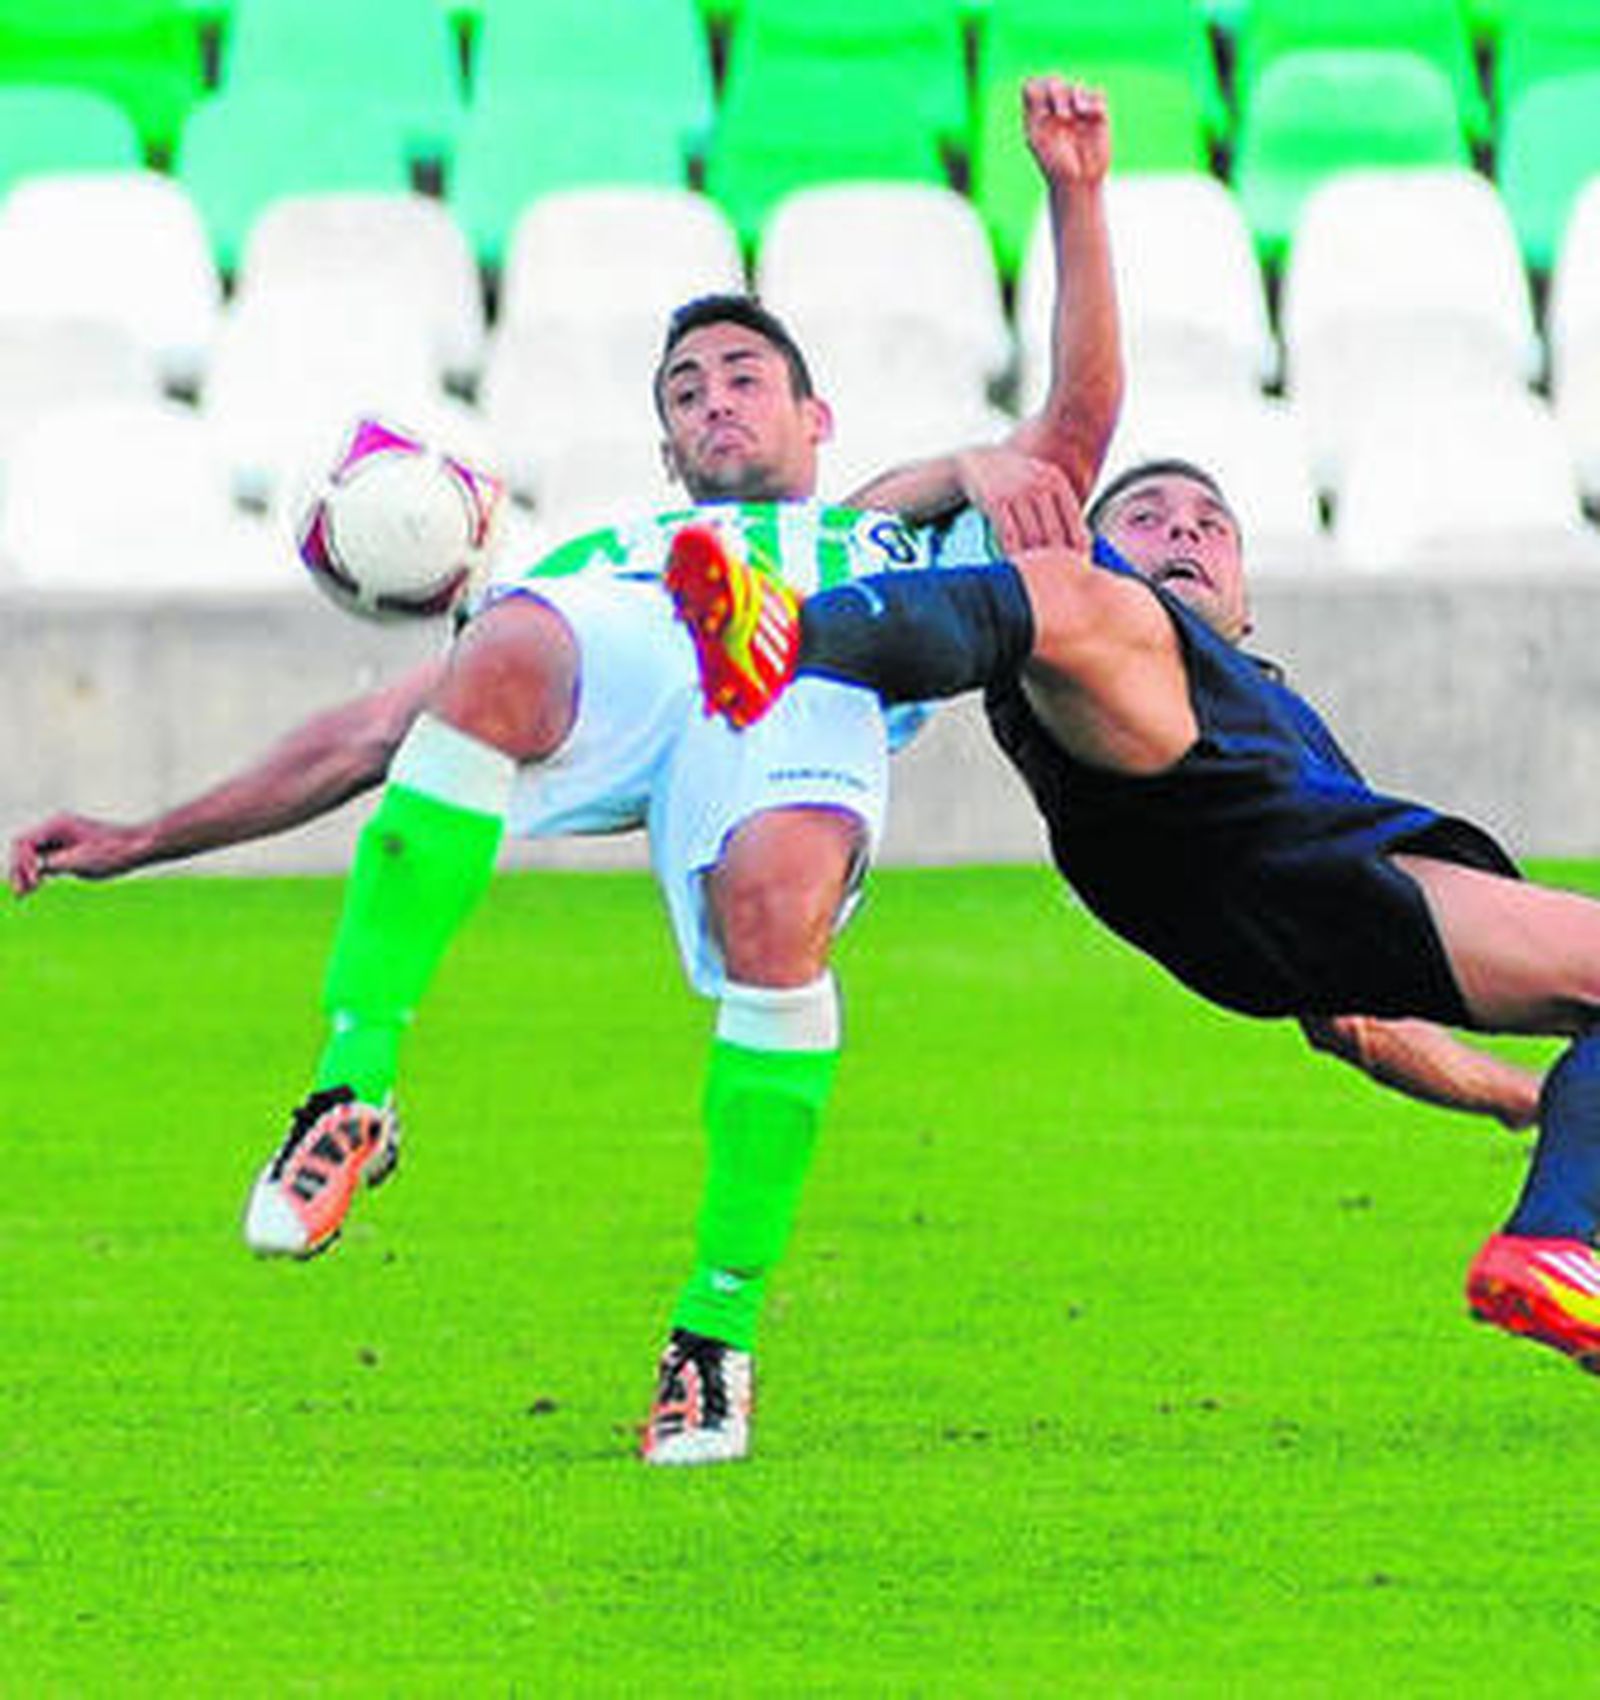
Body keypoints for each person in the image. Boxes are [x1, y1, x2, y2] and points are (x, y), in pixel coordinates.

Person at [9, 79, 1123, 1464]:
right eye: (686, 390)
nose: (715, 398)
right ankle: (352, 1089)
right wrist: (143, 836)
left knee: (780, 913)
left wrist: (1074, 199)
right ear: (665, 445)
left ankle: (712, 1341)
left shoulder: (887, 538)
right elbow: (367, 738)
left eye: (744, 378)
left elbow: (1070, 434)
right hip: (653, 638)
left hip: (811, 676)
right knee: (508, 641)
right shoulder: (610, 549)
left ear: (817, 421)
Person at [664, 416, 1600, 1377]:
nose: (1184, 532)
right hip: (1206, 829)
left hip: (1263, 911)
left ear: (1245, 599)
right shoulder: (1086, 596)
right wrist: (969, 461)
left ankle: (1564, 1250)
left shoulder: (1279, 721)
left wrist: (1529, 1101)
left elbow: (1352, 1022)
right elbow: (884, 511)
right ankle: (786, 633)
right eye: (1148, 516)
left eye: (1211, 525)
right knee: (1071, 596)